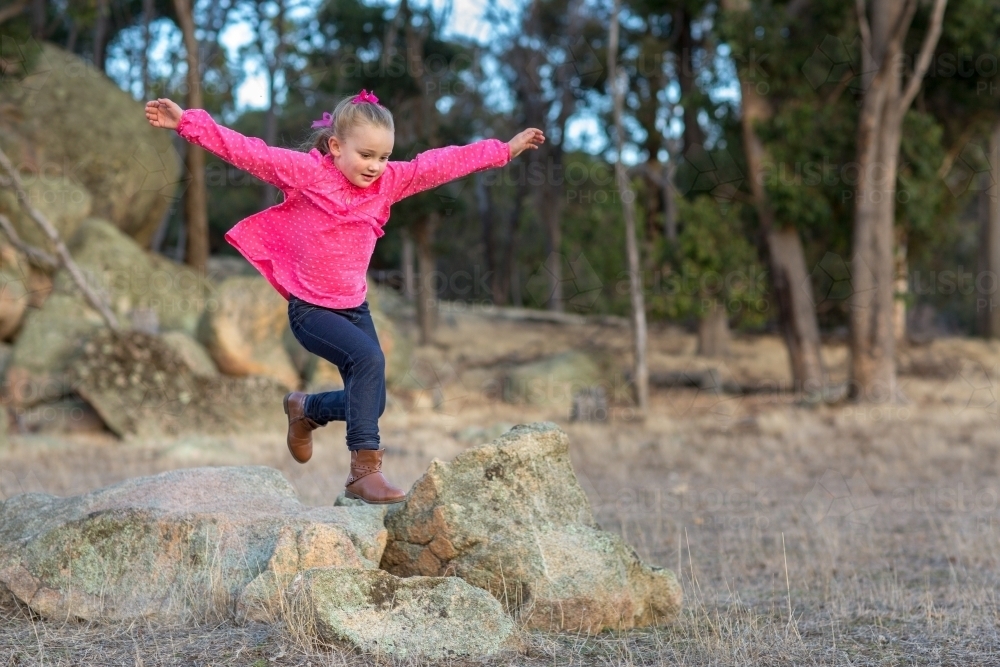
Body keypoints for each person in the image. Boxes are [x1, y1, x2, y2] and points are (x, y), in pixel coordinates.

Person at [144, 89, 544, 504]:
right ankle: (363, 473)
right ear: (335, 147)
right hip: (310, 310)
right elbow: (250, 151)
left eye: (384, 157)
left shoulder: (389, 183)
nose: (375, 166)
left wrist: (503, 151)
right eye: (366, 155)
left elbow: (439, 163)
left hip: (355, 309)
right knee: (369, 360)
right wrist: (188, 123)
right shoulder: (307, 174)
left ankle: (307, 409)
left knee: (374, 399)